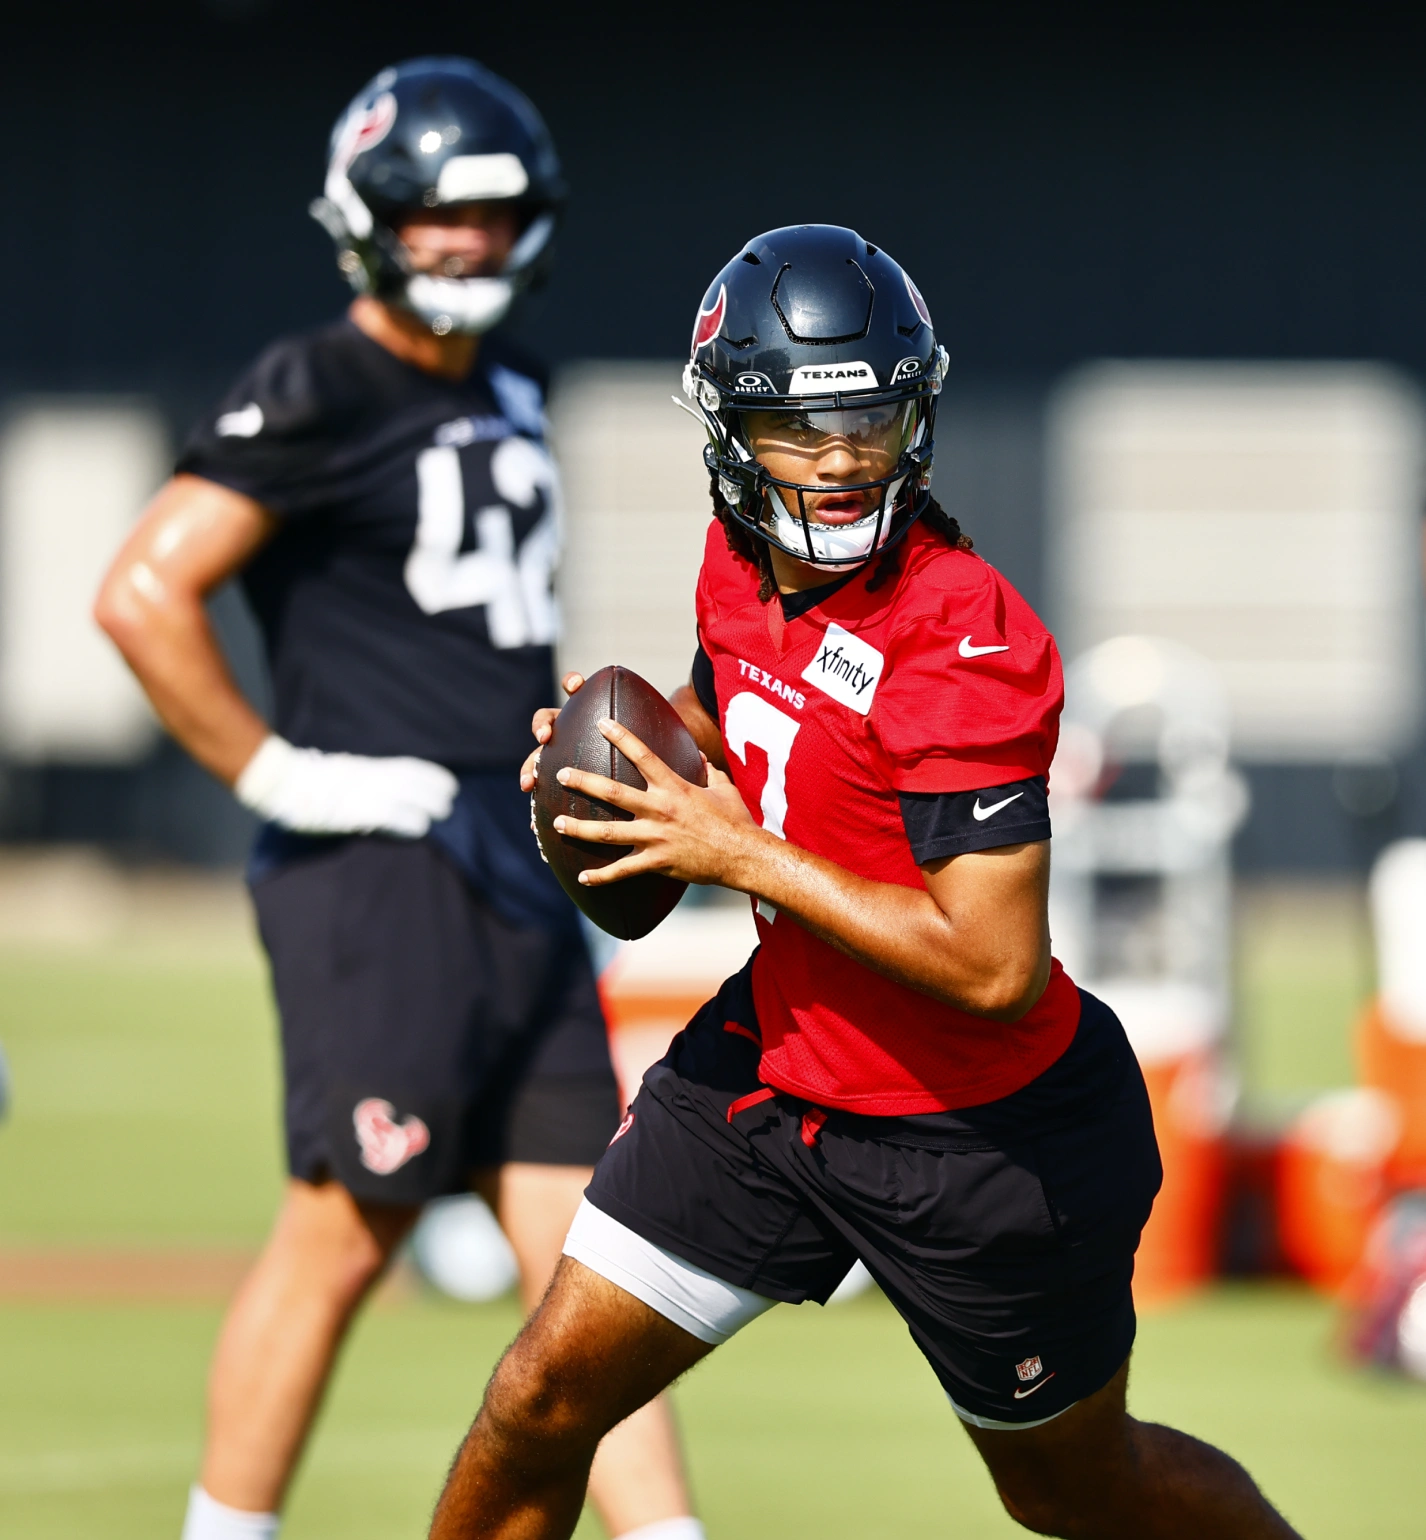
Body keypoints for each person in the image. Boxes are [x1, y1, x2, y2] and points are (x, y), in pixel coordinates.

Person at [427, 225, 1305, 1540]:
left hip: (979, 1135)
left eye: (870, 422)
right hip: (777, 1074)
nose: (840, 463)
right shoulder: (737, 564)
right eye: (800, 430)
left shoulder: (961, 635)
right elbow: (735, 708)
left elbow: (992, 965)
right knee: (538, 1398)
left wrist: (734, 854)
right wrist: (626, 766)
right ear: (730, 432)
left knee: (1073, 1489)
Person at [95, 56, 698, 1540]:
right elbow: (141, 592)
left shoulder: (514, 382)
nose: (466, 241)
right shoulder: (316, 382)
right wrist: (280, 771)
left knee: (596, 1264)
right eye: (436, 213)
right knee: (344, 1232)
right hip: (379, 861)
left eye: (489, 214)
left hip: (518, 857)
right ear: (369, 218)